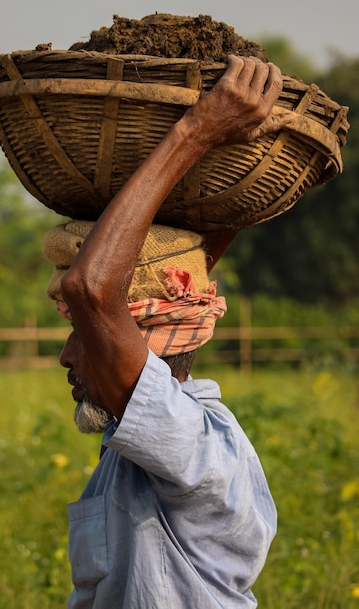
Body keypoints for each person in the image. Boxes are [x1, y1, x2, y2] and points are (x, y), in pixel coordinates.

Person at [43, 55, 292, 608]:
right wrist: (232, 150)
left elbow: (91, 288)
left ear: (138, 346)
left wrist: (198, 130)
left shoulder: (187, 441)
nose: (65, 356)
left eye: (82, 336)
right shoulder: (139, 445)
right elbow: (184, 265)